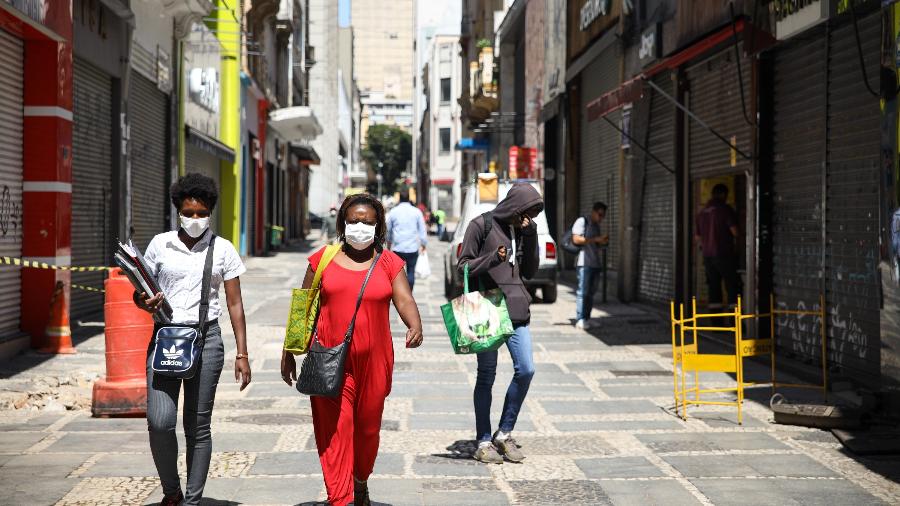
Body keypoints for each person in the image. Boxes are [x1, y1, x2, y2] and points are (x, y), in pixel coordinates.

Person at [281, 193, 424, 506]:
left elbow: (404, 299)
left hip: (375, 362)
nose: (360, 227)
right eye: (354, 221)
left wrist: (415, 325)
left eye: (368, 222)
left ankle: (360, 481)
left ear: (379, 226)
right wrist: (288, 352)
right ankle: (340, 497)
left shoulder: (388, 262)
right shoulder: (323, 259)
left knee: (368, 429)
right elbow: (301, 308)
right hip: (330, 359)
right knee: (336, 430)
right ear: (343, 224)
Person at [135, 173, 251, 506]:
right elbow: (139, 291)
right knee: (159, 421)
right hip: (166, 337)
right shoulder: (160, 244)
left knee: (198, 425)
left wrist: (242, 354)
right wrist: (143, 301)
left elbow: (235, 303)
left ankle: (192, 501)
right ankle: (171, 490)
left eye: (201, 213)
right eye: (189, 212)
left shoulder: (223, 249)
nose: (195, 219)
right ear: (178, 211)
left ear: (210, 212)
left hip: (207, 339)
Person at [457, 183, 544, 464]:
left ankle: (504, 433)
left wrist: (530, 236)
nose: (527, 218)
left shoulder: (523, 230)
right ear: (514, 206)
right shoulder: (480, 225)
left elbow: (530, 271)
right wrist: (492, 258)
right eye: (525, 212)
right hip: (486, 309)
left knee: (526, 369)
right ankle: (483, 439)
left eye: (532, 214)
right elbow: (463, 268)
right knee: (486, 375)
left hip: (517, 309)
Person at [695, 183, 740, 308]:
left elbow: (697, 238)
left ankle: (716, 323)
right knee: (732, 285)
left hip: (708, 256)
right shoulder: (725, 209)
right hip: (724, 254)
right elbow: (735, 232)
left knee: (714, 288)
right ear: (723, 194)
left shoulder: (702, 213)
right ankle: (734, 321)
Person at [571, 202, 609, 329]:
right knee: (583, 292)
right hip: (584, 263)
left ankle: (587, 318)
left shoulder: (596, 225)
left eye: (603, 215)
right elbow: (575, 239)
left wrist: (602, 242)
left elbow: (595, 244)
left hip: (595, 263)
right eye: (599, 214)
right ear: (593, 211)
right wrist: (595, 239)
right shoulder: (582, 221)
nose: (601, 218)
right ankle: (580, 319)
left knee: (591, 293)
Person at [386, 189, 427, 290]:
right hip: (412, 248)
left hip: (397, 248)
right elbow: (422, 229)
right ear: (409, 198)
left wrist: (389, 244)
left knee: (396, 273)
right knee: (411, 272)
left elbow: (389, 230)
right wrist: (423, 244)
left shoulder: (393, 212)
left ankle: (398, 292)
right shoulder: (416, 212)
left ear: (399, 198)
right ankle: (409, 292)